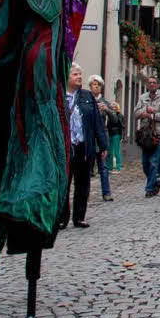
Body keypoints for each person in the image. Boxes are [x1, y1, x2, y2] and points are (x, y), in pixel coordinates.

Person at [59, 64, 108, 229]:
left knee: (83, 183)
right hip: (65, 147)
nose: (79, 77)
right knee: (63, 184)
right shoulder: (59, 97)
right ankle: (61, 218)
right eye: (75, 74)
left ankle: (79, 217)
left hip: (83, 146)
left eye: (80, 74)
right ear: (66, 77)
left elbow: (97, 123)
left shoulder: (87, 96)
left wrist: (103, 145)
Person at [134, 74, 160, 197]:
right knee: (145, 164)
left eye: (154, 82)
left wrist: (153, 114)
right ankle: (156, 182)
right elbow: (136, 112)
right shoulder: (143, 97)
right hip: (145, 136)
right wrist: (144, 113)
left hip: (159, 135)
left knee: (154, 162)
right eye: (150, 82)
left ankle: (149, 189)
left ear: (158, 85)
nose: (152, 84)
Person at [88, 75, 113, 202]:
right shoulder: (86, 100)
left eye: (98, 84)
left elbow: (116, 119)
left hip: (102, 138)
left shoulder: (105, 102)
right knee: (87, 167)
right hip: (89, 138)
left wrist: (107, 110)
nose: (95, 86)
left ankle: (106, 192)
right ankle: (84, 193)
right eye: (93, 84)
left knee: (103, 167)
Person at [105, 101, 125, 172]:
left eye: (113, 105)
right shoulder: (109, 115)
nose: (112, 106)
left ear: (117, 107)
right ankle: (110, 167)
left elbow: (122, 126)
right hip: (109, 134)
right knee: (110, 151)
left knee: (117, 151)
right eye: (111, 105)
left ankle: (118, 167)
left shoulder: (120, 115)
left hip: (116, 134)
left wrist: (122, 136)